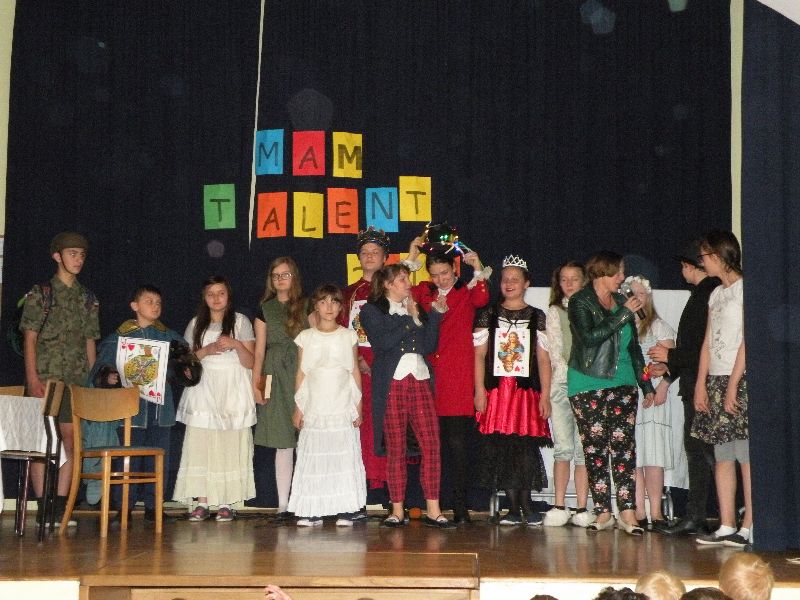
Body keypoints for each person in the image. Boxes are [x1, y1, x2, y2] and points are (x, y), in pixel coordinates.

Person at [359, 263, 455, 529]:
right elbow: (383, 343)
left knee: (431, 445)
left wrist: (434, 315)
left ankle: (433, 509)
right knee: (396, 448)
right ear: (387, 284)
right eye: (402, 279)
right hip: (392, 383)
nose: (408, 283)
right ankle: (397, 509)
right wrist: (411, 320)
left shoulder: (415, 308)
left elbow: (428, 345)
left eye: (407, 278)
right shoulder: (371, 310)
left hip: (420, 380)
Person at [567, 251, 654, 535]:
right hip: (588, 382)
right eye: (618, 272)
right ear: (602, 273)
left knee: (624, 448)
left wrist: (645, 383)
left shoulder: (621, 301)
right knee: (595, 449)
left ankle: (628, 512)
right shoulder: (580, 301)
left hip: (624, 382)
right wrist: (623, 313)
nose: (622, 277)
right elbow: (589, 338)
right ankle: (603, 511)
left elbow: (633, 348)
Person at [20, 231, 100, 526]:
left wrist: (92, 383)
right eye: (72, 254)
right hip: (46, 378)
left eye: (82, 255)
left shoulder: (88, 298)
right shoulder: (41, 294)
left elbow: (90, 343)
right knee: (41, 444)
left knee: (71, 441)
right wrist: (32, 378)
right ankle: (44, 506)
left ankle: (62, 507)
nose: (78, 260)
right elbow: (30, 338)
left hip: (76, 381)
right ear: (57, 256)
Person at [89, 284, 186, 523]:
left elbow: (185, 364)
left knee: (159, 459)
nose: (155, 306)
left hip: (160, 409)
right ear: (135, 306)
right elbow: (102, 366)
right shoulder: (120, 337)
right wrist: (109, 376)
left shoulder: (169, 336)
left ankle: (155, 507)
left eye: (158, 302)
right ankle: (124, 506)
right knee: (127, 460)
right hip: (130, 410)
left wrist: (183, 370)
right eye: (149, 301)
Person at [408, 245, 490, 523]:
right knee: (433, 446)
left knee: (458, 445)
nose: (440, 279)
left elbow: (482, 297)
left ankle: (460, 505)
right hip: (430, 376)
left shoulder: (465, 292)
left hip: (456, 377)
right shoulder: (425, 292)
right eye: (434, 274)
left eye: (444, 273)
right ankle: (435, 503)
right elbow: (399, 289)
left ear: (454, 270)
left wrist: (476, 266)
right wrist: (411, 259)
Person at [474, 255, 552, 526]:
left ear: (526, 283)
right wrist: (479, 390)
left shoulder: (537, 316)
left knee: (525, 447)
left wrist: (545, 394)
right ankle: (512, 508)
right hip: (498, 393)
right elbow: (479, 355)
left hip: (524, 393)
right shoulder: (488, 314)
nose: (509, 284)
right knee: (503, 448)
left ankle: (527, 504)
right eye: (505, 279)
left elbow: (543, 359)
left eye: (515, 279)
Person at [649, 240, 720, 536]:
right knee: (698, 451)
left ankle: (701, 514)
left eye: (684, 265)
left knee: (703, 451)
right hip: (694, 382)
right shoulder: (701, 294)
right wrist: (668, 372)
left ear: (693, 266)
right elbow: (692, 347)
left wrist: (670, 356)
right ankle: (697, 514)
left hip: (701, 385)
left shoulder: (707, 295)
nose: (682, 271)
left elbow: (702, 347)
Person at [174, 275, 256, 522]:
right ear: (204, 298)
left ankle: (225, 502)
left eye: (221, 293)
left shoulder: (240, 321)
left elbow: (251, 362)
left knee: (229, 444)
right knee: (201, 443)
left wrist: (236, 344)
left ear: (228, 296)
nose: (216, 298)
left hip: (233, 389)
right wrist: (207, 350)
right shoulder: (195, 324)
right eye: (211, 294)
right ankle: (202, 501)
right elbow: (185, 362)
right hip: (204, 389)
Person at [287, 284, 366, 527]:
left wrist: (358, 406)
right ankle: (312, 510)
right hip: (315, 405)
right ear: (316, 307)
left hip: (341, 404)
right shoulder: (306, 337)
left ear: (341, 307)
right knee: (315, 458)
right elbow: (301, 373)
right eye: (323, 302)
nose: (329, 307)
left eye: (334, 302)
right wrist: (299, 407)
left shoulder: (348, 335)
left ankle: (345, 509)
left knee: (341, 458)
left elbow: (354, 371)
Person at [691, 231, 750, 548]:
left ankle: (749, 524)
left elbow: (747, 340)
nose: (702, 262)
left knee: (745, 454)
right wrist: (701, 383)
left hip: (738, 378)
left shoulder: (745, 290)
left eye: (704, 256)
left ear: (718, 255)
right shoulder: (715, 294)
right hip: (715, 378)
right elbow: (707, 342)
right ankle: (727, 523)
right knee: (722, 453)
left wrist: (733, 384)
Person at [252, 257, 312, 521]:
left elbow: (316, 340)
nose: (280, 279)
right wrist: (258, 386)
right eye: (275, 275)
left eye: (285, 274)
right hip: (274, 374)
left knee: (308, 439)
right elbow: (259, 352)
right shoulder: (264, 309)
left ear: (294, 277)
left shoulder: (308, 305)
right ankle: (283, 504)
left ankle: (309, 501)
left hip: (302, 370)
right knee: (282, 441)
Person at [338, 227, 392, 495]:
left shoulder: (393, 291)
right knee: (360, 426)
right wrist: (355, 358)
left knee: (386, 425)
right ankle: (358, 487)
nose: (369, 256)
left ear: (385, 258)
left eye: (375, 252)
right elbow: (339, 331)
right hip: (356, 367)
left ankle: (390, 489)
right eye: (365, 252)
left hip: (386, 366)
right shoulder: (348, 293)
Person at [543, 261, 593, 528]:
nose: (569, 284)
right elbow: (556, 350)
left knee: (584, 450)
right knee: (563, 447)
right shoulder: (556, 311)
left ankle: (583, 507)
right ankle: (559, 504)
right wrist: (570, 376)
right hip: (563, 383)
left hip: (586, 384)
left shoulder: (592, 309)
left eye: (575, 278)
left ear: (584, 281)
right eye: (564, 279)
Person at [625, 274, 676, 531]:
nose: (636, 298)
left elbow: (672, 363)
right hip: (629, 394)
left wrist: (663, 381)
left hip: (653, 395)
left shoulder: (658, 326)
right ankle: (639, 509)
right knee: (634, 454)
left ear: (649, 297)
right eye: (631, 294)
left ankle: (656, 511)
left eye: (641, 294)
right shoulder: (623, 325)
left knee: (653, 455)